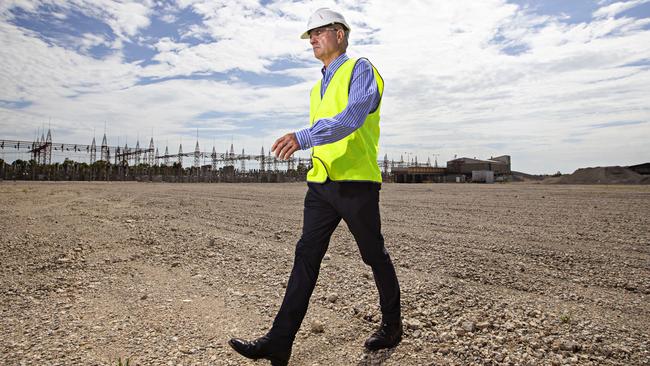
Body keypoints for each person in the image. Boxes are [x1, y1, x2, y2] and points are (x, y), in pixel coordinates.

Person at [228, 8, 402, 365]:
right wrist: (307, 147)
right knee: (305, 258)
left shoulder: (361, 70)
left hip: (356, 184)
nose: (312, 39)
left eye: (318, 32)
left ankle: (392, 327)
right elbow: (327, 132)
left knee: (374, 255)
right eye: (309, 35)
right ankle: (279, 341)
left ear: (339, 33)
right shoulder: (316, 89)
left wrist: (303, 136)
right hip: (321, 184)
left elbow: (352, 118)